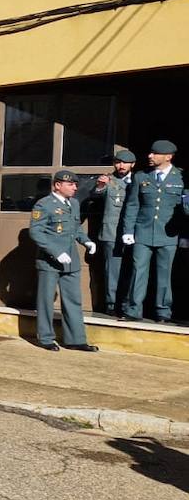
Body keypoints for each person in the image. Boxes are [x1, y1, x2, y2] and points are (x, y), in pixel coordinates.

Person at [30, 170, 98, 351]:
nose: (75, 188)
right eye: (71, 184)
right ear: (58, 185)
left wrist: (87, 241)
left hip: (71, 260)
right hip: (50, 261)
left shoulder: (73, 204)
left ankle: (76, 339)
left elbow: (76, 228)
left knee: (73, 299)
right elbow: (35, 232)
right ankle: (45, 338)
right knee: (46, 301)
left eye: (76, 184)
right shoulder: (43, 205)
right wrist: (55, 252)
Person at [121, 140, 184, 323]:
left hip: (169, 234)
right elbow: (132, 205)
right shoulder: (141, 177)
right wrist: (128, 230)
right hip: (143, 231)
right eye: (151, 152)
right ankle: (133, 310)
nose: (150, 156)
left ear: (168, 156)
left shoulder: (180, 177)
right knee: (138, 271)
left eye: (155, 153)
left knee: (164, 274)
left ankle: (163, 311)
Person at [87, 149, 136, 316]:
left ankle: (128, 304)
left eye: (124, 162)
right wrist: (101, 186)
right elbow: (96, 195)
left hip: (135, 234)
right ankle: (112, 304)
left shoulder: (140, 180)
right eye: (118, 162)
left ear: (132, 164)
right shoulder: (109, 180)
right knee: (112, 270)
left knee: (134, 271)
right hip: (112, 232)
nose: (121, 166)